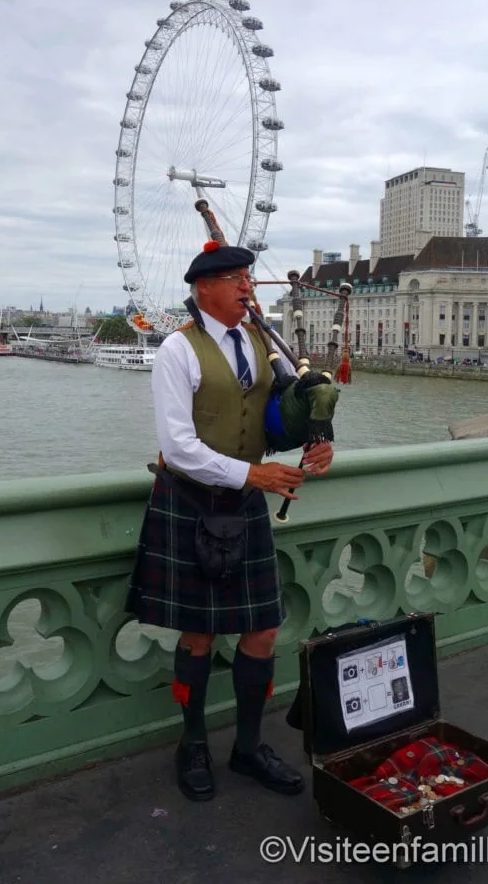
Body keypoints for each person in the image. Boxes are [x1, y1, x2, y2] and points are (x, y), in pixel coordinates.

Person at [124, 241, 334, 802]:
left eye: (248, 277)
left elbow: (292, 407)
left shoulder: (261, 341)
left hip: (242, 504)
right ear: (204, 288)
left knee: (262, 628)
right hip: (190, 500)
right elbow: (179, 445)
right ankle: (192, 743)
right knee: (198, 632)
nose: (247, 287)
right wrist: (255, 475)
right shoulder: (177, 350)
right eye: (236, 278)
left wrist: (319, 438)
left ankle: (247, 747)